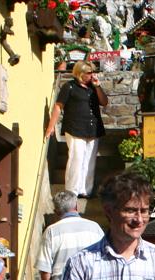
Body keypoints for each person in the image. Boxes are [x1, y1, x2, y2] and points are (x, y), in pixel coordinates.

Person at [45, 61, 108, 198]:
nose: (92, 75)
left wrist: (98, 87)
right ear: (80, 74)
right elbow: (58, 106)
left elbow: (104, 102)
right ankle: (72, 191)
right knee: (76, 158)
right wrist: (51, 127)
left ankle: (86, 189)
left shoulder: (93, 87)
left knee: (89, 160)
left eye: (92, 72)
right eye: (89, 73)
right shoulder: (69, 87)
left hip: (93, 128)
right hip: (75, 127)